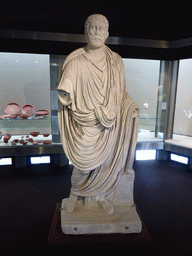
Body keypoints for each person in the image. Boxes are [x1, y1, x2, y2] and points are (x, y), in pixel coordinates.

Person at [57, 14, 139, 215]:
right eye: (92, 28)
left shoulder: (115, 61)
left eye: (101, 28)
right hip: (85, 122)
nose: (96, 32)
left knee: (105, 163)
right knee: (83, 165)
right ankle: (75, 195)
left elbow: (122, 92)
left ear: (107, 34)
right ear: (86, 31)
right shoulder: (76, 60)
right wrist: (67, 93)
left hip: (109, 123)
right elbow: (65, 90)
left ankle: (100, 196)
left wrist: (130, 106)